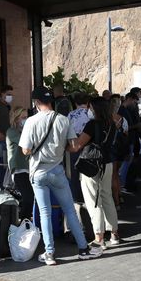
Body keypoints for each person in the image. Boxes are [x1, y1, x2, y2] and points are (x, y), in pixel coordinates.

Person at [19, 86, 103, 265]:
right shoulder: (63, 120)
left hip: (38, 172)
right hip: (58, 171)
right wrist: (58, 148)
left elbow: (25, 150)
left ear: (36, 102)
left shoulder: (31, 121)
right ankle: (83, 248)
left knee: (44, 213)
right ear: (51, 101)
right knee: (70, 210)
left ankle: (49, 253)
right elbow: (73, 146)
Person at [70, 97, 120, 247]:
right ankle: (114, 234)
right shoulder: (112, 124)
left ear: (95, 109)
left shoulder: (92, 125)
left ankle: (99, 237)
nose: (88, 111)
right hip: (107, 163)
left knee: (93, 199)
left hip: (91, 164)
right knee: (107, 196)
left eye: (90, 108)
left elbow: (78, 145)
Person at [6, 107, 33, 220]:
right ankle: (23, 221)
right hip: (19, 169)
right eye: (23, 118)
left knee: (29, 197)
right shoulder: (12, 131)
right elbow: (25, 143)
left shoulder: (25, 131)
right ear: (16, 119)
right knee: (28, 197)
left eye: (27, 117)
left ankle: (25, 220)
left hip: (29, 169)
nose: (26, 120)